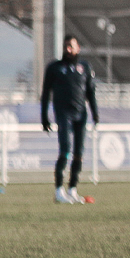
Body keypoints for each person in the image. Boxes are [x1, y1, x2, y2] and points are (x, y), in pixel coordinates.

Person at [40, 35, 99, 204]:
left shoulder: (85, 67)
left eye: (71, 46)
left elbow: (90, 92)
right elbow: (45, 94)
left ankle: (72, 189)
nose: (68, 50)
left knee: (79, 154)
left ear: (78, 48)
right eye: (66, 46)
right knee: (65, 150)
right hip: (63, 114)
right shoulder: (54, 68)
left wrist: (95, 113)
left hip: (81, 114)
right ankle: (59, 190)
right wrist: (44, 116)